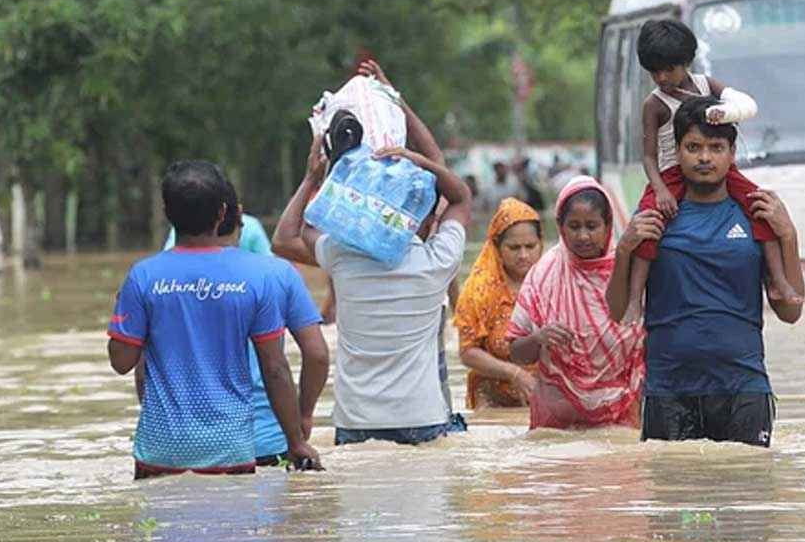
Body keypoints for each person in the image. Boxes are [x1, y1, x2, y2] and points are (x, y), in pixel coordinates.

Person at [607, 96, 805, 447]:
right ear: (678, 151)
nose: (703, 158)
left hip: (744, 389)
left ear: (732, 153)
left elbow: (790, 312)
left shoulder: (756, 213)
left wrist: (788, 235)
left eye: (715, 147)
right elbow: (618, 311)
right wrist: (624, 249)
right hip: (668, 391)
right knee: (675, 498)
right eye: (693, 147)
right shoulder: (657, 215)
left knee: (746, 496)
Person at [106, 160, 321, 476]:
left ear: (167, 212)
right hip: (230, 449)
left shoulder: (142, 277)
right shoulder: (254, 278)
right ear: (223, 214)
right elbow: (275, 368)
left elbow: (121, 361)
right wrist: (296, 441)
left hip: (161, 450)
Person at [273, 135, 472, 446]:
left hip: (357, 420)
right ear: (426, 219)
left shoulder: (343, 257)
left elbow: (292, 233)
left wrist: (318, 175)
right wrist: (419, 161)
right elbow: (460, 198)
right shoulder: (436, 262)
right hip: (421, 418)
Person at [627, 18, 800, 317]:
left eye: (668, 69)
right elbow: (648, 156)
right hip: (672, 174)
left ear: (686, 62)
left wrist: (722, 113)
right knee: (647, 226)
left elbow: (744, 105)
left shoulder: (707, 85)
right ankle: (633, 298)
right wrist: (660, 190)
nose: (662, 77)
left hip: (721, 171)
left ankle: (778, 280)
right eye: (655, 71)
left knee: (761, 207)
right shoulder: (654, 104)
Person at [143, 194, 330, 467]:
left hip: (177, 445)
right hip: (268, 438)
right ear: (232, 214)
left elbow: (139, 363)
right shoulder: (275, 274)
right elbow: (315, 356)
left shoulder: (152, 278)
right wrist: (301, 421)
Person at [506, 177, 646, 430]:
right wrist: (539, 338)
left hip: (621, 417)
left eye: (592, 226)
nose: (583, 236)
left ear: (607, 225)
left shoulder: (629, 270)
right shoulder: (543, 276)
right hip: (559, 422)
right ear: (560, 226)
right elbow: (515, 353)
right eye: (574, 226)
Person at [454, 197, 543, 409]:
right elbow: (467, 352)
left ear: (541, 243)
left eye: (530, 246)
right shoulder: (479, 290)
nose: (523, 255)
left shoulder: (554, 282)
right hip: (493, 399)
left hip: (545, 394)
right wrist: (514, 373)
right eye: (514, 248)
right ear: (497, 247)